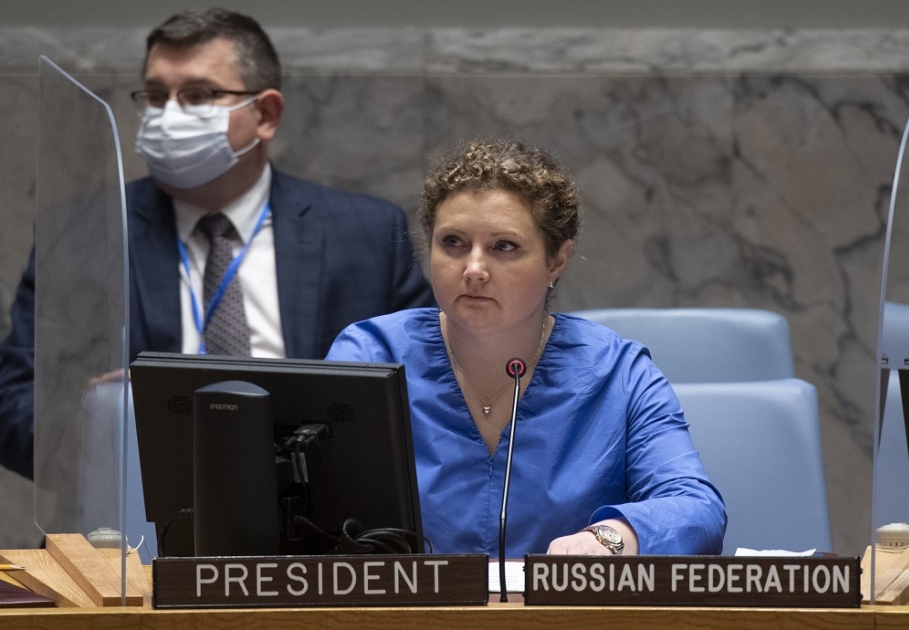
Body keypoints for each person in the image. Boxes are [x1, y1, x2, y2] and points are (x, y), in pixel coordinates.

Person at [0, 8, 434, 480]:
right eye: (155, 96)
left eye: (198, 95)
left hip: (321, 504)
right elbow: (13, 405)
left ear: (266, 114)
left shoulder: (366, 234)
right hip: (137, 508)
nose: (168, 116)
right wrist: (99, 421)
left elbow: (432, 390)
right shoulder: (81, 232)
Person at [326, 139, 726, 556]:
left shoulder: (618, 373)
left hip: (559, 599)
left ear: (557, 261)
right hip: (408, 598)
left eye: (504, 246)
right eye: (453, 242)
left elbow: (697, 509)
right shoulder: (369, 357)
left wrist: (610, 538)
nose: (474, 269)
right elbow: (313, 507)